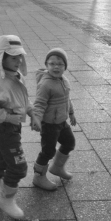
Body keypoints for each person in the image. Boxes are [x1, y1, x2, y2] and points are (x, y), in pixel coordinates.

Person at [0, 35, 36, 219]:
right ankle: (5, 198)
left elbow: (22, 99)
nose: (18, 60)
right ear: (1, 58)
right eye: (13, 57)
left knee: (4, 158)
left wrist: (31, 112)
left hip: (13, 125)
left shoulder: (15, 75)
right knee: (18, 166)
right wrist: (9, 118)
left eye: (20, 56)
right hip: (4, 127)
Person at [31, 47, 76, 190]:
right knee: (48, 151)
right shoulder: (45, 84)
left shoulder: (64, 80)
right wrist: (36, 119)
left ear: (65, 67)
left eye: (60, 64)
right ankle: (38, 177)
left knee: (69, 143)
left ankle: (57, 167)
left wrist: (71, 113)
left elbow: (67, 98)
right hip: (49, 124)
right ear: (46, 65)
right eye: (52, 63)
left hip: (62, 121)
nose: (56, 67)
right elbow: (39, 103)